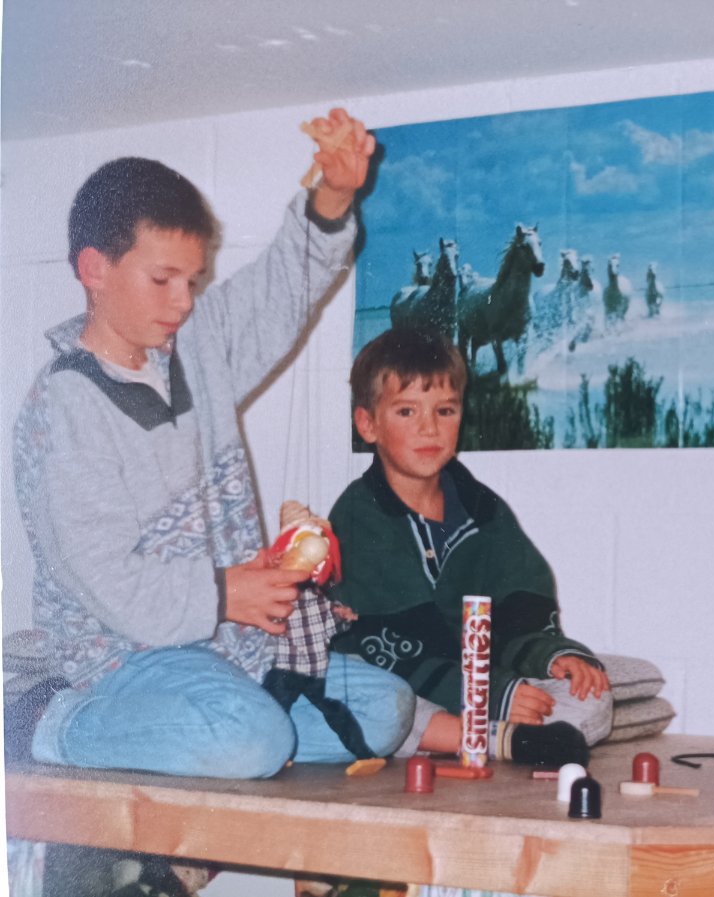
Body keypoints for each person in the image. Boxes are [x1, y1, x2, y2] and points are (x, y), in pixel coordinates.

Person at [8, 108, 415, 782]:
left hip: (231, 643)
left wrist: (335, 193)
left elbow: (280, 290)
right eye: (162, 279)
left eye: (192, 282)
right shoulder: (64, 406)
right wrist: (226, 593)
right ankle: (46, 722)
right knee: (250, 741)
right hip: (125, 657)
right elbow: (108, 580)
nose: (183, 302)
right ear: (94, 269)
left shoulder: (194, 348)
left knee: (386, 710)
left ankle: (231, 723)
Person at [329, 326, 613, 767]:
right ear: (368, 425)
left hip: (482, 678)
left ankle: (496, 731)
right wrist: (494, 694)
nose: (429, 427)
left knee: (593, 697)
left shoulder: (483, 508)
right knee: (383, 707)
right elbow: (389, 648)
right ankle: (494, 737)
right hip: (403, 683)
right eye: (407, 411)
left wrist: (551, 657)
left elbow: (520, 611)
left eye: (445, 410)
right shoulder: (358, 516)